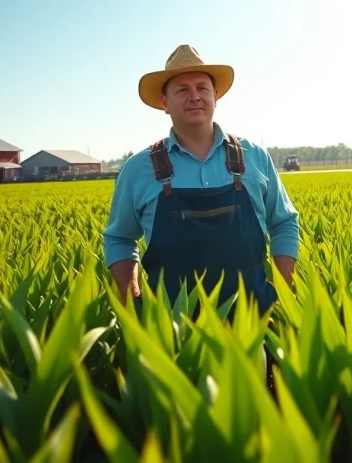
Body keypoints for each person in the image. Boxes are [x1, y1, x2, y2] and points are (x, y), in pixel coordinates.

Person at [102, 44, 300, 317]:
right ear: (164, 103)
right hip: (169, 322)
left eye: (202, 88)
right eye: (182, 90)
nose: (194, 96)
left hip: (254, 317)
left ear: (215, 96)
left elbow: (284, 222)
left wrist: (281, 288)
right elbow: (119, 238)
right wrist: (131, 299)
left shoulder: (254, 157)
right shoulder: (138, 169)